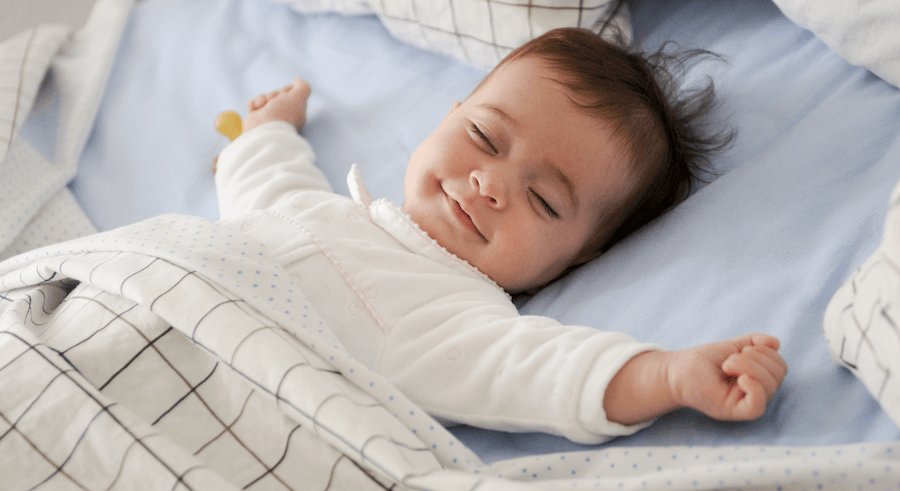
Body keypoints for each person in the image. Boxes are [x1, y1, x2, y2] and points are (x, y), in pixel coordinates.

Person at [214, 28, 787, 444]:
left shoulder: (453, 317)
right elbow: (269, 184)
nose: (489, 184)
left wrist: (668, 376)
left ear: (581, 257)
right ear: (450, 114)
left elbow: (541, 372)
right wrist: (267, 132)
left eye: (543, 200)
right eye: (485, 136)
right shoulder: (316, 210)